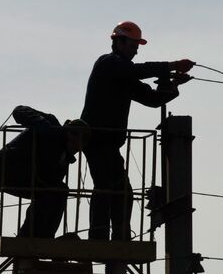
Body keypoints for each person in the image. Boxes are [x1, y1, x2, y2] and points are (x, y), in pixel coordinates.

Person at [81, 21, 194, 240]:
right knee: (107, 187)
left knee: (121, 192)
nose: (137, 48)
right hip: (97, 140)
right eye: (134, 44)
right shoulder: (108, 63)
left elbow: (151, 99)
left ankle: (117, 236)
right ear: (119, 42)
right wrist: (172, 65)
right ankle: (99, 237)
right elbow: (136, 71)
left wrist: (173, 85)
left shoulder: (124, 76)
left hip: (109, 143)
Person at [0, 105, 88, 238]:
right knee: (50, 192)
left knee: (59, 191)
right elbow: (19, 110)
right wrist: (42, 125)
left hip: (29, 176)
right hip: (8, 168)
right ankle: (27, 236)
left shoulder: (63, 160)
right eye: (78, 140)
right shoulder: (52, 125)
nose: (78, 147)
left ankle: (45, 236)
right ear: (69, 134)